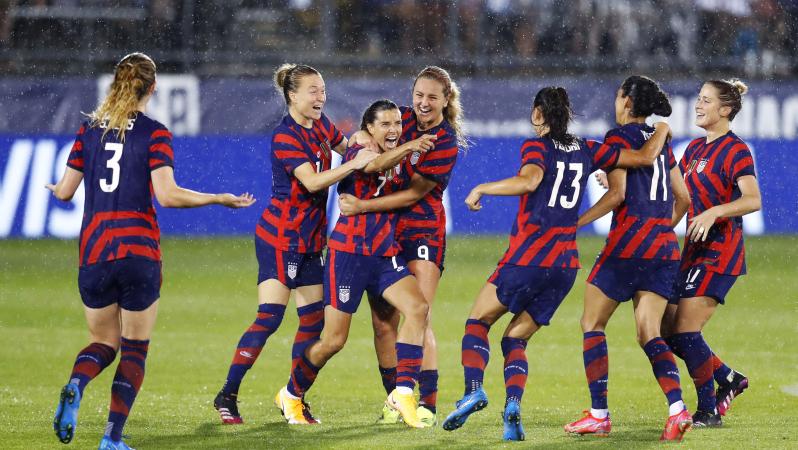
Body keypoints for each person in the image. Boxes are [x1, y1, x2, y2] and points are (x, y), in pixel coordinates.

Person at [48, 53, 255, 450]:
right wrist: (216, 198)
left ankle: (77, 382)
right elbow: (168, 195)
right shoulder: (154, 133)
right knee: (135, 347)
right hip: (137, 250)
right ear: (153, 87)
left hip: (93, 251)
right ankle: (111, 438)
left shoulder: (88, 131)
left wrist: (54, 190)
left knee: (103, 342)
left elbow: (66, 190)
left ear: (116, 84)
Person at [440, 86, 671, 441]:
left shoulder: (536, 146)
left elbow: (529, 179)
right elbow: (642, 159)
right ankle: (512, 406)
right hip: (564, 265)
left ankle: (474, 389)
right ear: (568, 114)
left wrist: (483, 187)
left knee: (477, 321)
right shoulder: (587, 149)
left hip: (529, 255)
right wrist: (661, 130)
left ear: (538, 114)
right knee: (515, 338)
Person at [213, 63, 379, 424]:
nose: (321, 97)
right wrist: (354, 165)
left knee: (312, 322)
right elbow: (313, 183)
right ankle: (227, 393)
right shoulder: (285, 136)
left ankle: (293, 398)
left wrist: (365, 139)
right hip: (280, 238)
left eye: (323, 90)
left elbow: (347, 146)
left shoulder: (321, 125)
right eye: (313, 91)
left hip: (310, 241)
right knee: (270, 317)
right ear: (292, 95)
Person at [274, 99, 437, 428]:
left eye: (397, 124)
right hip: (347, 255)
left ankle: (402, 392)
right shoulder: (359, 150)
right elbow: (373, 167)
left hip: (382, 254)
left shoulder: (395, 155)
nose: (393, 130)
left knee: (417, 308)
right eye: (385, 125)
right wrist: (409, 146)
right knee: (334, 340)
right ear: (369, 129)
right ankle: (290, 395)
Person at [562, 76, 693, 441]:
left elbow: (618, 195)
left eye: (618, 95)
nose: (615, 101)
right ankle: (677, 409)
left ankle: (599, 414)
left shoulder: (617, 137)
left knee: (592, 323)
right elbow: (683, 198)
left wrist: (576, 222)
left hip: (626, 247)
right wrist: (658, 227)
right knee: (648, 332)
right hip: (663, 248)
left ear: (627, 101)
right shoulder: (660, 142)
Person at [338, 66, 464, 426]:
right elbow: (369, 133)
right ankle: (394, 399)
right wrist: (361, 138)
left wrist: (362, 206)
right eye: (419, 95)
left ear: (446, 100)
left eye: (432, 97)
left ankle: (429, 402)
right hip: (387, 233)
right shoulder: (401, 120)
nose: (424, 103)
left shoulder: (444, 141)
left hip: (422, 233)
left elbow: (413, 193)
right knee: (382, 324)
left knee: (419, 314)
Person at [662, 79, 760, 427]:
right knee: (666, 330)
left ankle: (707, 411)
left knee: (686, 331)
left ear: (726, 110)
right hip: (691, 252)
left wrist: (715, 211)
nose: (698, 105)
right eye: (698, 100)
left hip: (721, 254)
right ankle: (729, 378)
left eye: (706, 101)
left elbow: (752, 199)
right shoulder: (693, 151)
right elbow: (676, 194)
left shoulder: (736, 150)